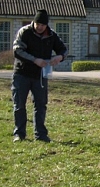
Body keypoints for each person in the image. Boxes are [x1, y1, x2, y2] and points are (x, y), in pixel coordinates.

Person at [11, 9, 68, 142]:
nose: (39, 27)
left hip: (40, 76)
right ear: (34, 22)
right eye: (37, 24)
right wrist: (34, 60)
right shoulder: (24, 32)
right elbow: (17, 50)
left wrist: (59, 57)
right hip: (22, 73)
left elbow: (63, 49)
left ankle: (41, 134)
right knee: (19, 104)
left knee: (41, 105)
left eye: (42, 25)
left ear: (46, 25)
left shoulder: (51, 35)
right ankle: (19, 133)